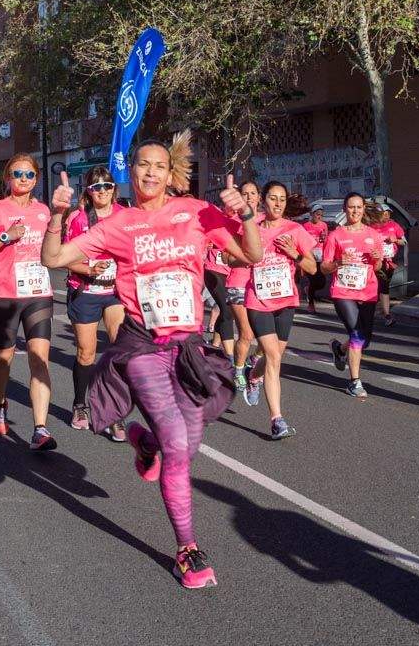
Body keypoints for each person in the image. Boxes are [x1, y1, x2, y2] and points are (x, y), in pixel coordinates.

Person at [41, 131, 262, 589]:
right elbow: (55, 257)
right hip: (141, 345)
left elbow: (251, 254)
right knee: (179, 446)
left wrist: (244, 215)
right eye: (142, 164)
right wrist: (58, 215)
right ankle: (187, 548)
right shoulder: (118, 224)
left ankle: (145, 442)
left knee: (187, 440)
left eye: (158, 165)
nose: (149, 172)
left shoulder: (195, 212)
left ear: (170, 173)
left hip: (190, 346)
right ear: (132, 169)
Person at [0, 154, 58, 451]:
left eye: (29, 175)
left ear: (36, 179)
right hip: (3, 294)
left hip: (37, 293)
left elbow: (54, 246)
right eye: (18, 174)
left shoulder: (43, 211)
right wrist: (7, 236)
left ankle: (40, 428)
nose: (23, 179)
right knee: (4, 358)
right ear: (7, 178)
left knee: (39, 357)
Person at [245, 181, 317, 438]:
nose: (277, 203)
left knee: (275, 356)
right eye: (273, 198)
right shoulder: (252, 228)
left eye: (282, 199)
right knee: (273, 356)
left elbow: (312, 268)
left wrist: (293, 253)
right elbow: (236, 256)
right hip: (258, 300)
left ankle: (253, 375)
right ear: (263, 200)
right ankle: (277, 419)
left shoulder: (294, 230)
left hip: (285, 301)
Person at [61, 166, 126, 435]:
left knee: (117, 349)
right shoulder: (78, 219)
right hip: (85, 290)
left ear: (114, 189)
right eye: (97, 187)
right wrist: (87, 269)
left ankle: (114, 411)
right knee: (86, 352)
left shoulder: (125, 216)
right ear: (88, 190)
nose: (103, 191)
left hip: (115, 292)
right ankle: (80, 404)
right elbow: (64, 257)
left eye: (107, 186)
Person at [321, 193, 385, 398]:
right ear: (344, 209)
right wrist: (339, 262)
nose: (355, 211)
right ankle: (354, 381)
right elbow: (324, 267)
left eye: (358, 207)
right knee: (357, 334)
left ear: (363, 209)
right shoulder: (336, 235)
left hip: (367, 291)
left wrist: (377, 259)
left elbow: (378, 266)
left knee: (364, 340)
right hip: (343, 291)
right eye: (351, 207)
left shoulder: (373, 235)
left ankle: (340, 349)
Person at [223, 181, 264, 401]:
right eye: (244, 194)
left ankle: (252, 362)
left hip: (262, 287)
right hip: (238, 283)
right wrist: (249, 257)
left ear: (259, 197)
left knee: (268, 340)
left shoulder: (267, 223)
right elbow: (227, 258)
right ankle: (238, 371)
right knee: (246, 334)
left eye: (252, 193)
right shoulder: (234, 223)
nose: (248, 197)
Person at [370, 203, 406, 326]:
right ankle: (386, 314)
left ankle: (374, 312)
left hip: (390, 262)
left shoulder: (394, 225)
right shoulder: (371, 227)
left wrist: (395, 240)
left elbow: (404, 242)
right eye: (383, 214)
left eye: (388, 214)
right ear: (377, 214)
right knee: (382, 284)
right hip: (375, 261)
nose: (386, 216)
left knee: (383, 285)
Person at [301, 207, 330, 312]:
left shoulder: (324, 225)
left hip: (320, 256)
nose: (319, 217)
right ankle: (311, 304)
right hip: (309, 256)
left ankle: (308, 290)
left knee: (321, 282)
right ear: (312, 214)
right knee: (313, 280)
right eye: (317, 214)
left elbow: (326, 241)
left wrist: (324, 238)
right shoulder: (305, 226)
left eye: (321, 215)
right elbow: (301, 242)